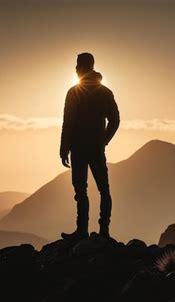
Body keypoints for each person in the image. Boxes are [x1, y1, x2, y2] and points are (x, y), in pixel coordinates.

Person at [59, 52, 120, 240]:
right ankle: (104, 232)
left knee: (81, 190)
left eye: (77, 65)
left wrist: (64, 149)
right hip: (96, 149)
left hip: (78, 148)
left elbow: (68, 123)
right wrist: (103, 140)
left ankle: (82, 231)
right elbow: (115, 120)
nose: (75, 69)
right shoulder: (105, 92)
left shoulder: (73, 92)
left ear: (84, 67)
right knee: (104, 189)